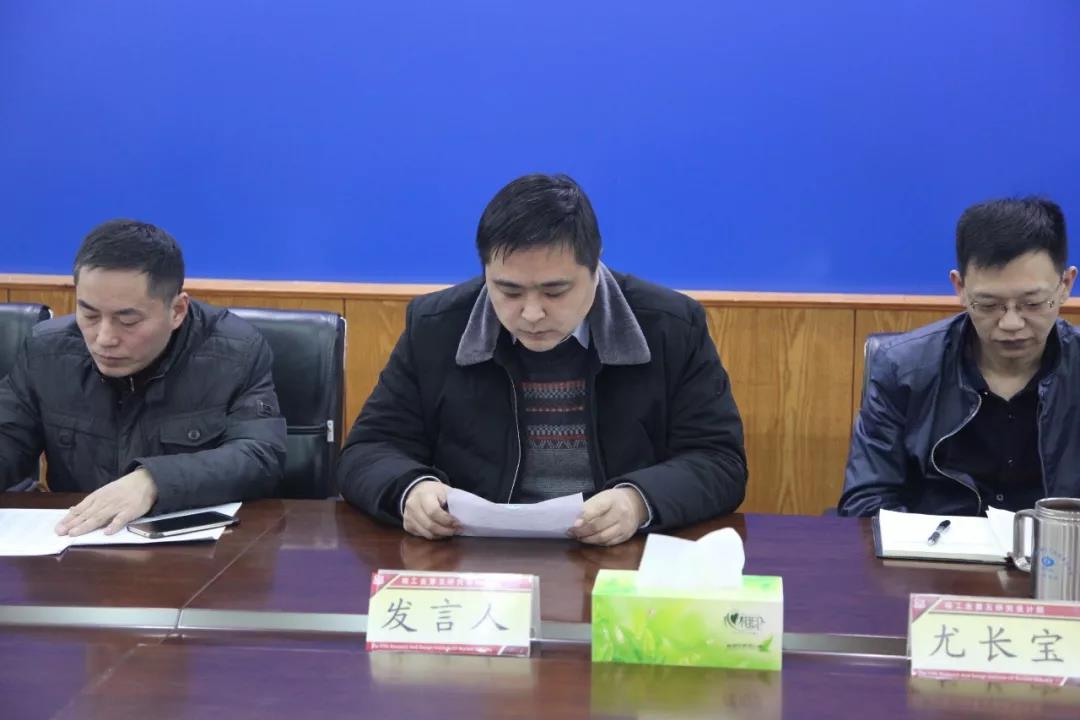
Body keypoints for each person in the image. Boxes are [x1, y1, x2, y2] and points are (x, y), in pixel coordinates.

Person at [338, 173, 747, 545]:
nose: (531, 314)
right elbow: (368, 450)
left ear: (595, 264)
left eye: (555, 292)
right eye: (509, 291)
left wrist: (637, 501)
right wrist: (411, 490)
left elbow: (718, 461)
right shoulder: (436, 327)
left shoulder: (670, 327)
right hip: (473, 557)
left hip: (616, 558)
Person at [0, 220, 287, 535]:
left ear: (177, 311)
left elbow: (260, 456)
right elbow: (8, 438)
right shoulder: (46, 352)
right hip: (71, 543)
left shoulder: (235, 353)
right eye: (90, 315)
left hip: (191, 551)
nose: (104, 338)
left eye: (128, 321)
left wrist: (153, 481)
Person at [840, 197, 1079, 517]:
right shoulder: (902, 368)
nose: (1011, 323)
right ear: (960, 288)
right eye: (988, 305)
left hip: (1060, 546)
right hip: (933, 545)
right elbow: (866, 503)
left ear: (1065, 285)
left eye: (1033, 304)